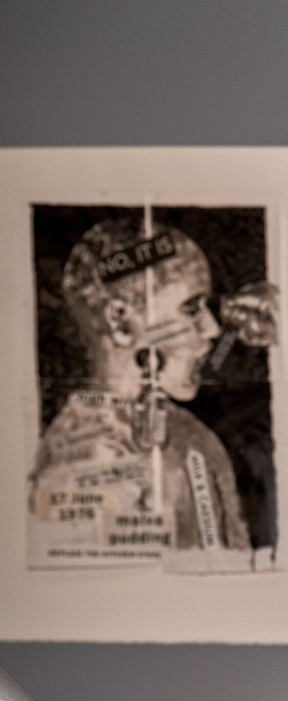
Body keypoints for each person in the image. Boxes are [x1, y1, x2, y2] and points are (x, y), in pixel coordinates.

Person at [29, 218, 252, 571]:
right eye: (191, 309)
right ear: (120, 321)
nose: (211, 329)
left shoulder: (197, 439)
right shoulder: (70, 467)